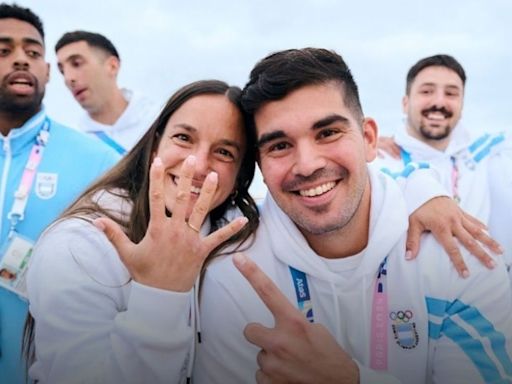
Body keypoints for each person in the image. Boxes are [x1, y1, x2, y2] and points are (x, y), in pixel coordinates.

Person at [192, 48, 512, 383]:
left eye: (327, 133)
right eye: (279, 146)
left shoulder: (460, 253)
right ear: (259, 165)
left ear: (369, 138)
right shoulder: (232, 271)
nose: (308, 164)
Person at [26, 79, 258, 384]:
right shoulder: (78, 244)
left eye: (225, 152)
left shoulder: (239, 244)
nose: (197, 164)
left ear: (240, 176)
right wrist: (160, 292)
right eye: (183, 137)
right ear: (154, 148)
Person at [0, 4, 119, 383]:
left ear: (47, 71)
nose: (21, 60)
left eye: (33, 52)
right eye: (4, 51)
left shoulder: (100, 161)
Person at [375, 54, 512, 275]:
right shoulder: (378, 161)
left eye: (451, 93)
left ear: (462, 105)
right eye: (427, 91)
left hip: (483, 293)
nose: (439, 102)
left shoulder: (480, 155)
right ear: (405, 103)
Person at [55, 30, 161, 154]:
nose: (68, 78)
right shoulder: (71, 142)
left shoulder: (159, 119)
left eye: (77, 64)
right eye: (62, 71)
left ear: (112, 66)